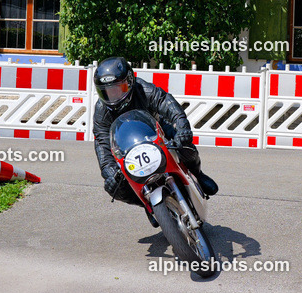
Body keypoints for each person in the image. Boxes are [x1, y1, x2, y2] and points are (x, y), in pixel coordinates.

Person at [92, 56, 219, 215]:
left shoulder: (143, 89)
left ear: (130, 82)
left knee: (184, 144)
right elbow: (102, 145)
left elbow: (166, 103)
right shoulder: (101, 112)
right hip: (127, 150)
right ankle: (148, 205)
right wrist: (109, 173)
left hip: (158, 131)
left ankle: (198, 174)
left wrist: (182, 128)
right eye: (107, 92)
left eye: (118, 89)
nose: (113, 97)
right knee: (114, 188)